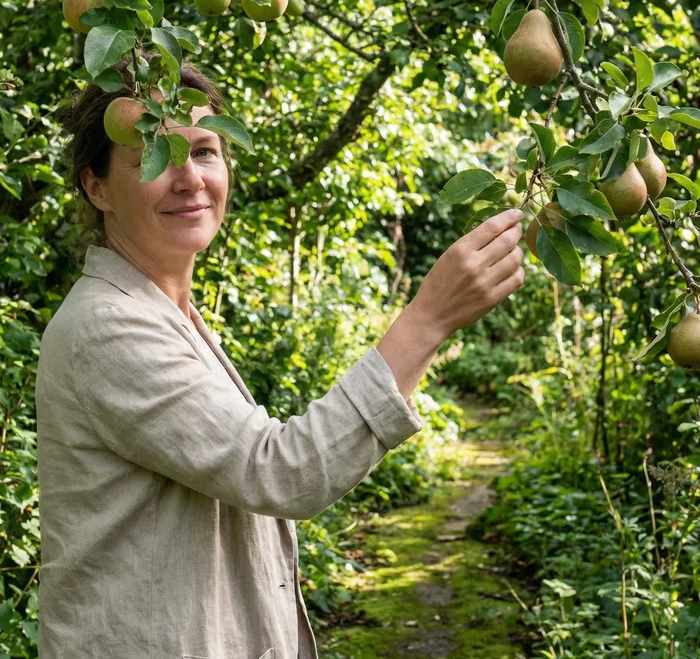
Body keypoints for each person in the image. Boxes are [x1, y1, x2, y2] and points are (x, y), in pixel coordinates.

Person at [34, 59, 525, 659]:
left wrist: (438, 321)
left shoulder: (159, 310)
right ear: (97, 186)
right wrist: (428, 318)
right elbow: (281, 470)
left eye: (206, 151)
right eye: (155, 157)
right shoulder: (108, 329)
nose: (189, 178)